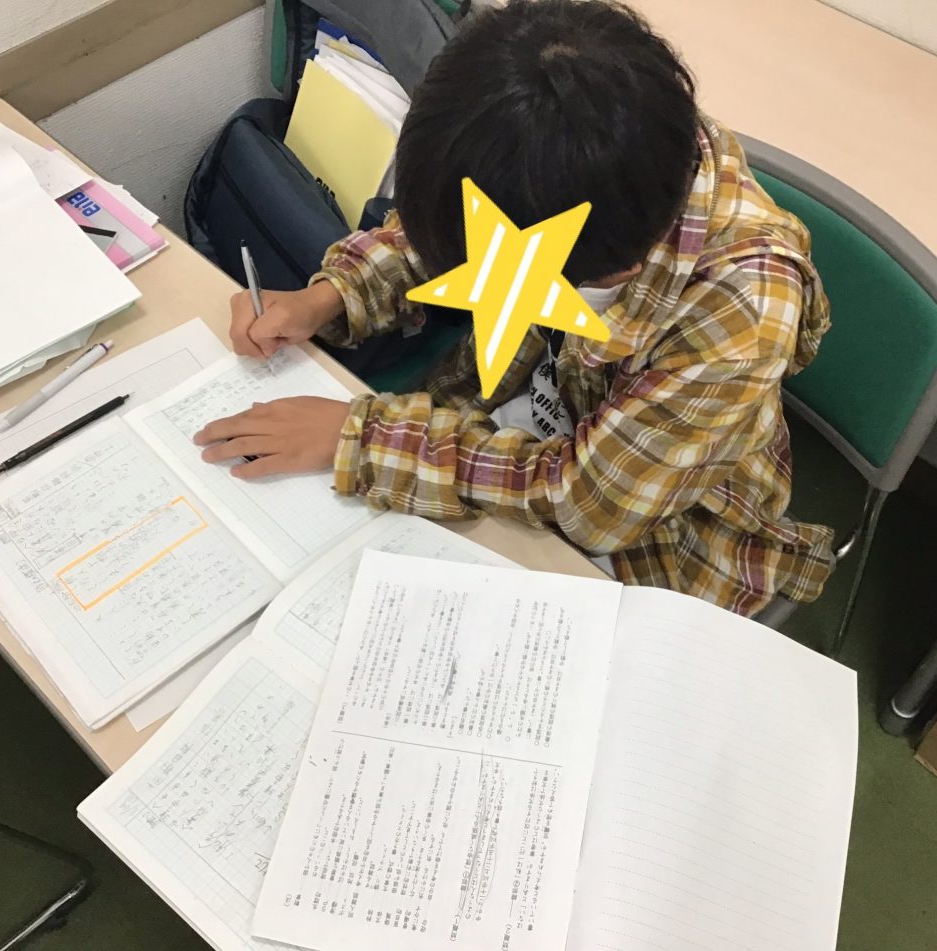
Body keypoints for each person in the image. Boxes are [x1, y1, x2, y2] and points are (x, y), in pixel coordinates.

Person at [193, 0, 833, 617]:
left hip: (654, 535)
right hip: (518, 422)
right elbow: (449, 220)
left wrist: (358, 439)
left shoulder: (743, 308)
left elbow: (593, 506)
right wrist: (328, 295)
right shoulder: (578, 156)